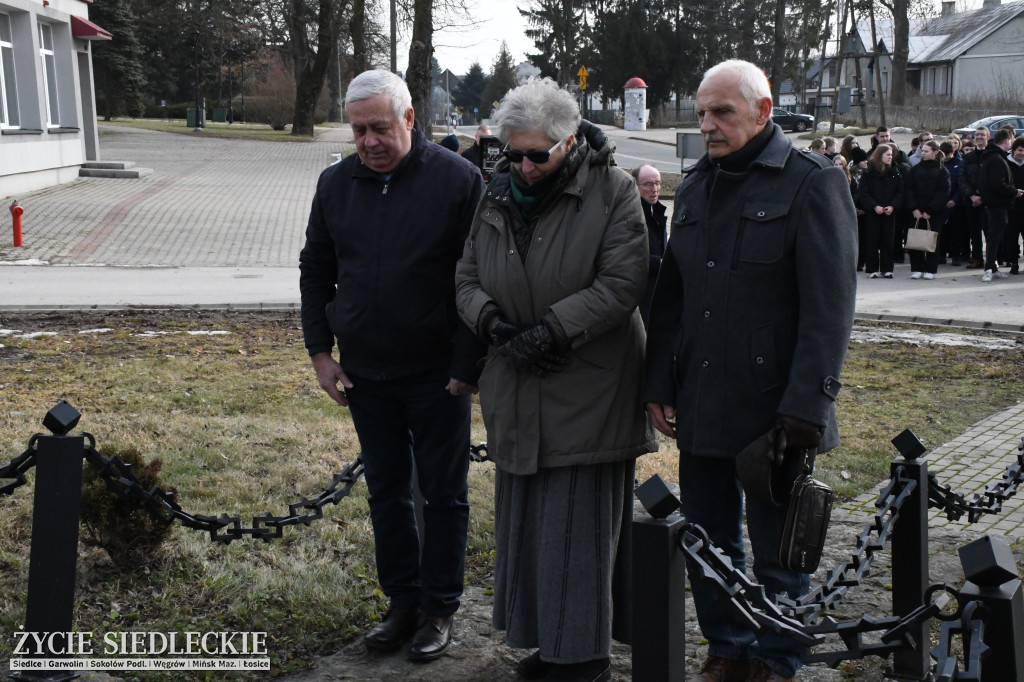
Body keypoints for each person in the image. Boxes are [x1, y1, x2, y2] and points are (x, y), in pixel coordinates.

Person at [644, 59, 856, 682]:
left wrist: (806, 408)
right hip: (704, 399)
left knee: (780, 553)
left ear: (763, 112)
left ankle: (776, 659)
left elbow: (829, 309)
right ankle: (729, 649)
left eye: (722, 113)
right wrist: (659, 382)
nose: (707, 125)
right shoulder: (699, 185)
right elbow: (672, 298)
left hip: (776, 413)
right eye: (702, 113)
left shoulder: (812, 183)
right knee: (709, 545)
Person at [455, 77, 656, 682]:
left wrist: (552, 331)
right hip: (518, 380)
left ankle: (583, 659)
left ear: (568, 143)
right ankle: (551, 644)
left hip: (589, 385)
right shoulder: (494, 194)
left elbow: (623, 284)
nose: (524, 165)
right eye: (513, 153)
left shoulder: (613, 191)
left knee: (579, 529)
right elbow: (466, 275)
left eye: (537, 154)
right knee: (532, 526)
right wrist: (493, 326)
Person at [298, 69, 485, 662]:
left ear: (409, 118)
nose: (369, 141)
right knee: (385, 491)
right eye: (358, 131)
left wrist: (466, 363)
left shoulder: (459, 181)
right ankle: (401, 603)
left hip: (438, 373)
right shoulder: (335, 184)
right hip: (364, 371)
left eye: (379, 127)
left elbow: (476, 279)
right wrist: (321, 352)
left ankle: (439, 608)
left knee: (443, 494)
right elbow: (315, 270)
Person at [979, 127, 1024, 281]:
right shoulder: (997, 159)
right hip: (997, 204)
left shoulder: (992, 156)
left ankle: (992, 267)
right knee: (994, 237)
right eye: (1011, 141)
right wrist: (1014, 192)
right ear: (1007, 141)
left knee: (995, 236)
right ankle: (989, 268)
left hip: (995, 203)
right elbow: (996, 184)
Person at [904, 140, 950, 280]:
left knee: (932, 240)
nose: (923, 154)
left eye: (926, 151)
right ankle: (917, 268)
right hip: (916, 212)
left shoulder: (942, 170)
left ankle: (930, 268)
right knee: (915, 238)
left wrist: (930, 209)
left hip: (933, 213)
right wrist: (914, 208)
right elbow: (908, 189)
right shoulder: (915, 169)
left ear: (935, 152)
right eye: (922, 151)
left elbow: (943, 192)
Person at [858, 143, 904, 278]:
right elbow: (864, 192)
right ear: (880, 155)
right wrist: (874, 206)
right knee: (872, 240)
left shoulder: (894, 172)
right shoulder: (868, 172)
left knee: (888, 240)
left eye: (891, 155)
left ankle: (887, 268)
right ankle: (872, 269)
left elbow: (900, 192)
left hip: (889, 211)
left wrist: (893, 206)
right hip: (873, 212)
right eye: (888, 154)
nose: (890, 157)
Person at [632, 163, 668, 327]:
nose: (654, 189)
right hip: (640, 295)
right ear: (636, 186)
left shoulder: (657, 211)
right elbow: (627, 255)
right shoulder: (632, 215)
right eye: (648, 184)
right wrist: (658, 263)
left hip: (657, 291)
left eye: (657, 183)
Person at [959, 126, 989, 269]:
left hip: (988, 201)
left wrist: (982, 197)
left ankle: (991, 259)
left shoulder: (992, 156)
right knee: (974, 232)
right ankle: (977, 258)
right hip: (970, 201)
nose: (979, 137)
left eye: (982, 135)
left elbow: (995, 179)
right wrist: (971, 195)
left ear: (987, 137)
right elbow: (962, 178)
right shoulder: (967, 157)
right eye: (977, 135)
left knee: (989, 232)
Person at [939, 140, 965, 266]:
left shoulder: (959, 163)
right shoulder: (938, 164)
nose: (947, 158)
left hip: (955, 204)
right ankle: (941, 255)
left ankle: (955, 256)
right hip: (941, 203)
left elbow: (961, 184)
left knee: (955, 231)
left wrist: (955, 199)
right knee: (941, 230)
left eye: (949, 155)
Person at [1006, 136, 1024, 274]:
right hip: (1011, 206)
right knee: (1012, 237)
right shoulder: (1006, 163)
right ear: (1014, 150)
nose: (1022, 153)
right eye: (1019, 150)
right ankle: (1013, 263)